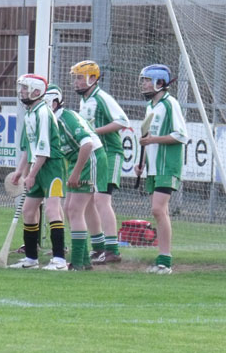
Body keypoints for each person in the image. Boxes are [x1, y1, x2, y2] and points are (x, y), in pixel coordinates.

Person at [70, 60, 130, 264]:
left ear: (93, 78)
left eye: (80, 77)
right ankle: (97, 247)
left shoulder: (102, 98)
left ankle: (112, 250)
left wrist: (93, 132)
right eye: (76, 77)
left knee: (101, 199)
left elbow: (123, 121)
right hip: (95, 156)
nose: (76, 82)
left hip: (110, 153)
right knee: (87, 200)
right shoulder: (84, 101)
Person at [44, 84, 108, 271]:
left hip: (91, 158)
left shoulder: (66, 118)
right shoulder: (52, 120)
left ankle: (78, 262)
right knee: (70, 209)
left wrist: (76, 172)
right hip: (78, 160)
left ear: (54, 102)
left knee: (74, 210)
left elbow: (87, 144)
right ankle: (84, 261)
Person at [9, 74, 67, 270]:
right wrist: (20, 172)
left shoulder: (43, 113)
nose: (22, 91)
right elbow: (29, 148)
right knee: (28, 210)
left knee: (51, 209)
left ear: (36, 91)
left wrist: (31, 175)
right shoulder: (29, 113)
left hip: (51, 167)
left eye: (25, 88)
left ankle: (59, 259)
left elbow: (43, 150)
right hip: (37, 165)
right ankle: (31, 259)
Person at [134, 64, 187, 275]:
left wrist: (153, 139)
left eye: (148, 80)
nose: (144, 84)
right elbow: (149, 140)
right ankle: (164, 260)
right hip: (154, 168)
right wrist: (143, 163)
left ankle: (165, 260)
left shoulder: (169, 104)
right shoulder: (151, 107)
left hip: (168, 165)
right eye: (143, 80)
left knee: (158, 209)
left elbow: (181, 135)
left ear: (160, 83)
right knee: (160, 211)